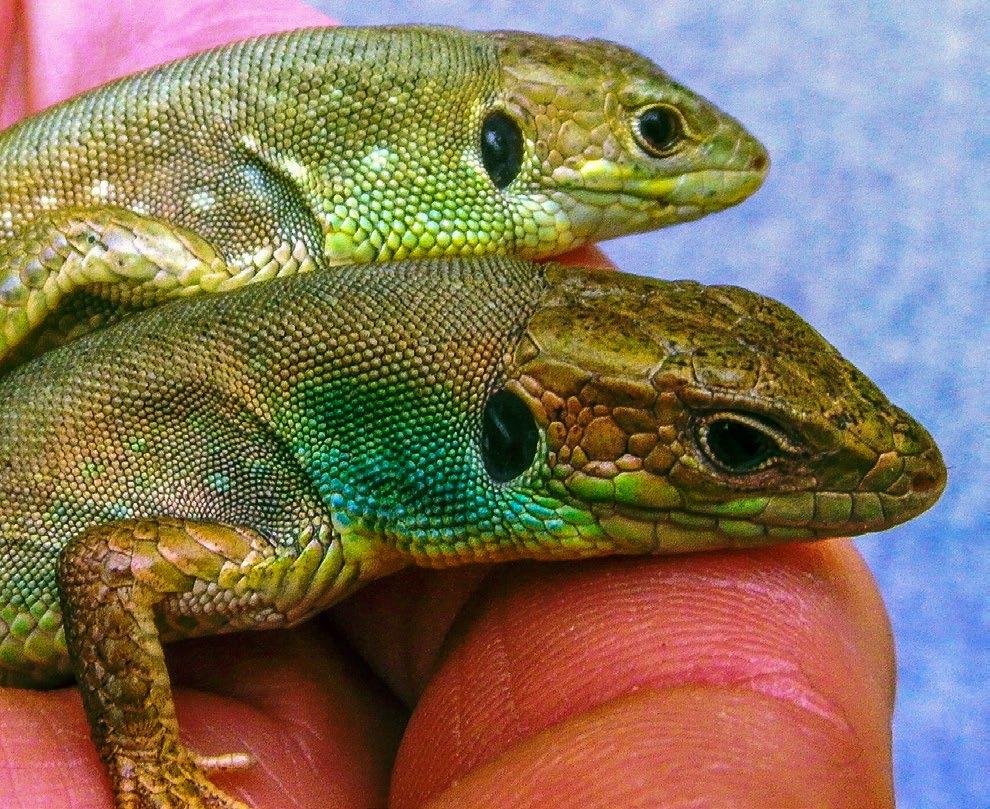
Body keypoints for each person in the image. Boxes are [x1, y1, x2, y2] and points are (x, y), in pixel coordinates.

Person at [0, 1, 896, 806]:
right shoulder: (283, 527)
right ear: (516, 431)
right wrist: (149, 763)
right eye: (732, 447)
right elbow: (110, 571)